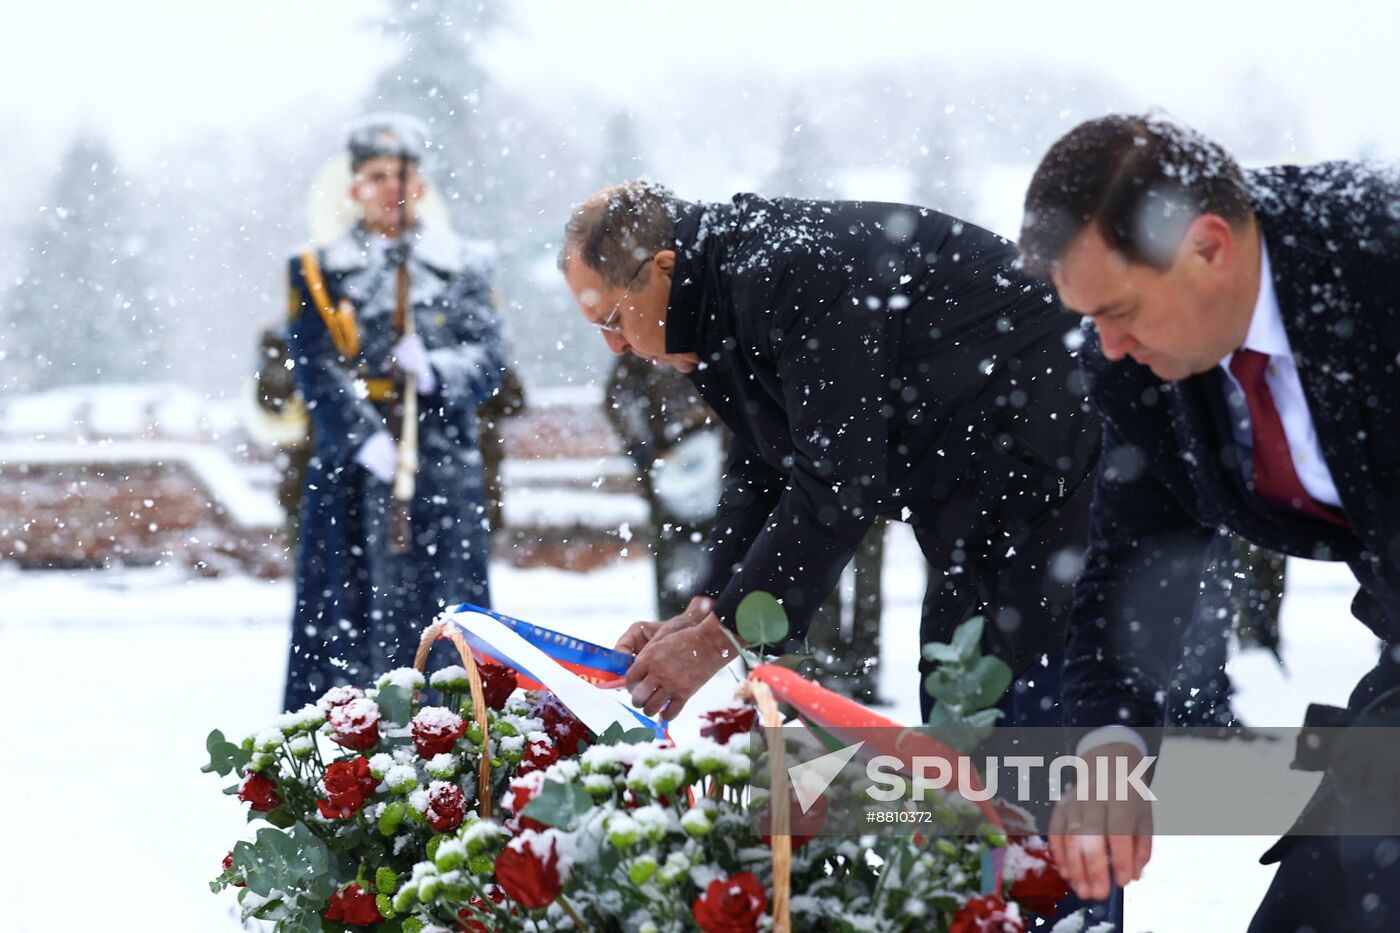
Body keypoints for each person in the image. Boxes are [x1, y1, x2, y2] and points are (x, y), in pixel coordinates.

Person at [1018, 113, 1400, 930]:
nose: (1107, 345)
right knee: (1324, 897)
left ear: (1211, 246)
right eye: (1090, 317)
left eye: (1119, 309)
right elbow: (1132, 557)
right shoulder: (1141, 369)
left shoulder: (1378, 261)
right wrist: (1112, 745)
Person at [558, 182, 1102, 724]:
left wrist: (716, 640)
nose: (616, 346)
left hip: (1048, 473)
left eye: (612, 320)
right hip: (971, 498)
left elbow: (838, 484)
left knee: (1030, 721)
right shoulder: (718, 302)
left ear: (664, 268)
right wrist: (706, 608)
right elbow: (762, 469)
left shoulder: (789, 274)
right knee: (958, 707)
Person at [281, 114, 505, 712]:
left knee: (448, 624)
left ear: (424, 185)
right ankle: (348, 758)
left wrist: (435, 369)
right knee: (344, 618)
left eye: (400, 175)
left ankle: (457, 748)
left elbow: (490, 362)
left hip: (441, 468)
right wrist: (358, 437)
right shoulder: (318, 267)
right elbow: (314, 368)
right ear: (353, 188)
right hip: (353, 472)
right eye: (374, 176)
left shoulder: (466, 263)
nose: (390, 188)